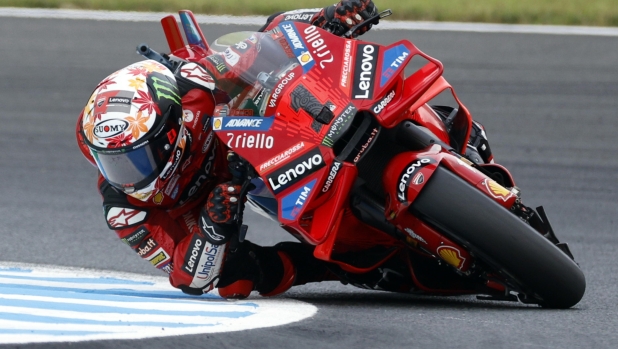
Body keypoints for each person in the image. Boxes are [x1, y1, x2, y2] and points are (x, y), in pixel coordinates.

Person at [77, 0, 388, 299]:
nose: (125, 175)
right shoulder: (124, 210)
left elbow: (265, 40)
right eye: (111, 162)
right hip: (238, 192)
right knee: (233, 280)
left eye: (135, 159)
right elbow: (187, 277)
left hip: (267, 135)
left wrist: (327, 18)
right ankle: (334, 267)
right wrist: (211, 227)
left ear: (169, 132)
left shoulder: (192, 87)